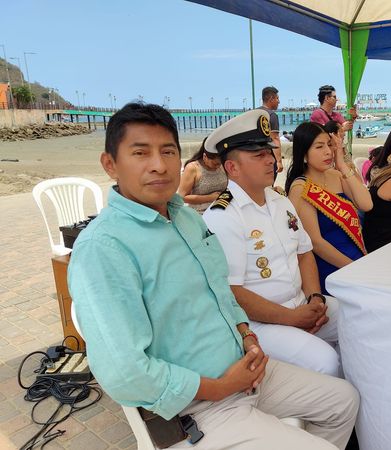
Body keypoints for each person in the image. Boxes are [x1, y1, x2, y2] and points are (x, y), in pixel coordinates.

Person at [68, 103, 358, 450]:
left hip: (247, 369)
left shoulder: (188, 220)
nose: (158, 164)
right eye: (140, 153)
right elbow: (124, 372)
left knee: (344, 401)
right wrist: (219, 387)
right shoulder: (104, 248)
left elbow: (222, 292)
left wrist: (247, 335)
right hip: (199, 405)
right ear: (110, 164)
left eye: (168, 151)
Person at [203, 110, 342, 378]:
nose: (270, 160)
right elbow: (232, 292)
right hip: (260, 323)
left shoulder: (280, 201)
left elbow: (304, 253)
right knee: (326, 362)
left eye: (269, 152)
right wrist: (292, 318)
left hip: (301, 303)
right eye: (258, 155)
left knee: (361, 321)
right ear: (232, 168)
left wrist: (315, 298)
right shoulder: (223, 216)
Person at [285, 122, 373, 295]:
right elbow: (316, 243)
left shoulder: (336, 175)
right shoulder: (301, 187)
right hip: (331, 267)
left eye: (329, 144)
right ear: (304, 154)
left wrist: (342, 165)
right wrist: (353, 268)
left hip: (356, 257)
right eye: (319, 147)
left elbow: (366, 204)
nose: (328, 151)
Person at [177, 138, 227, 214]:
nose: (218, 166)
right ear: (205, 156)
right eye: (215, 164)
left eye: (220, 164)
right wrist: (209, 198)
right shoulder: (193, 168)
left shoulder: (222, 165)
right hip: (200, 213)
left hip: (223, 209)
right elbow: (182, 197)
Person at [257, 86, 284, 177]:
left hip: (254, 156)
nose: (279, 101)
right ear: (271, 99)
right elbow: (274, 139)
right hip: (267, 157)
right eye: (277, 98)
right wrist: (279, 161)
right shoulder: (271, 115)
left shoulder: (254, 113)